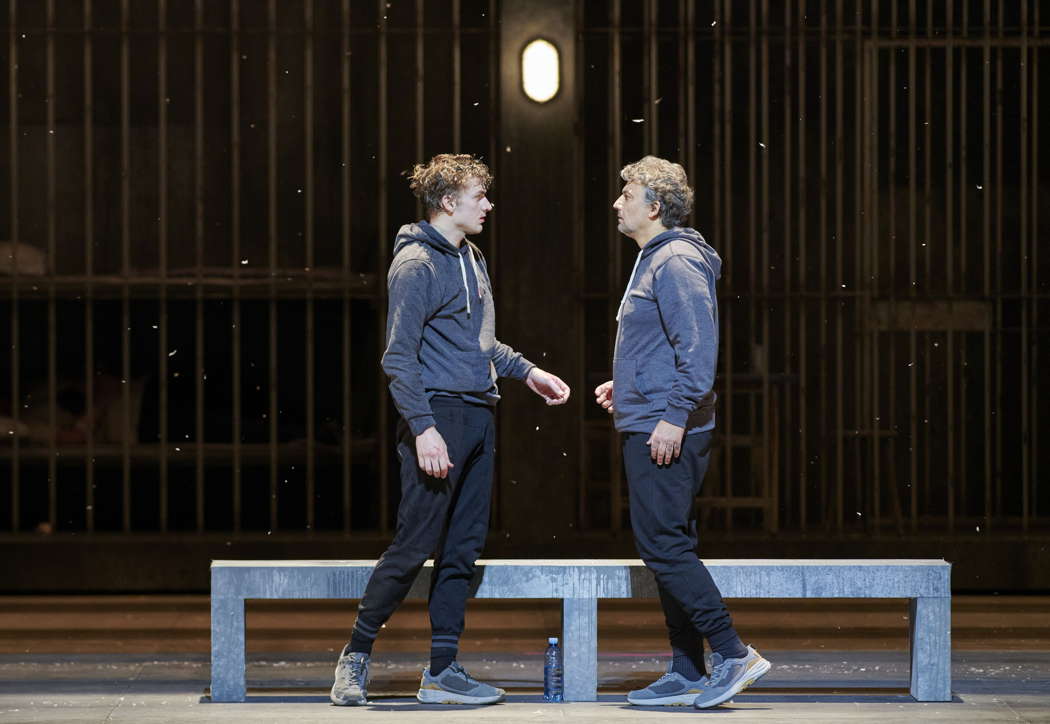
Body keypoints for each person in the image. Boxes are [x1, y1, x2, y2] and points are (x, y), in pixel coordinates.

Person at [331, 153, 571, 706]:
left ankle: (442, 670)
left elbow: (480, 346)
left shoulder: (473, 257)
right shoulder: (416, 264)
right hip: (438, 416)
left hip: (479, 416)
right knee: (414, 544)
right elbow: (398, 358)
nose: (487, 205)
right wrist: (424, 429)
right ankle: (355, 657)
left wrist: (527, 372)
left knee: (462, 548)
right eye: (478, 196)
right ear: (448, 202)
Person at [594, 156, 770, 709]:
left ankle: (731, 652)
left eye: (627, 193)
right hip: (649, 416)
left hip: (665, 427)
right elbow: (663, 348)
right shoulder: (655, 258)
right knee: (669, 542)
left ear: (655, 206)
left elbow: (698, 352)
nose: (617, 202)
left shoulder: (673, 259)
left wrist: (671, 415)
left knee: (663, 545)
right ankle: (688, 667)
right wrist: (627, 383)